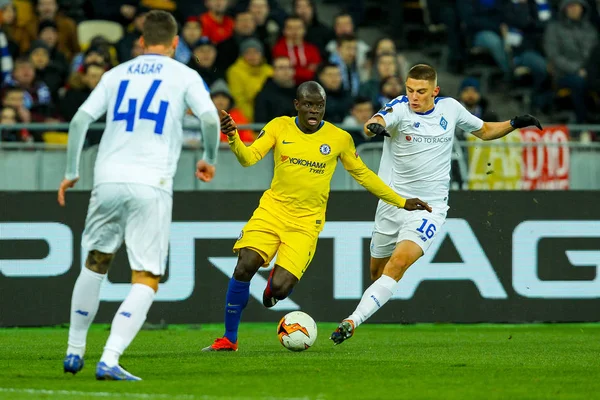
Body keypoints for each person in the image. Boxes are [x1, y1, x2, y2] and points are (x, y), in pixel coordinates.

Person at [202, 81, 431, 352]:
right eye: (308, 105)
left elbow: (364, 175)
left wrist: (402, 201)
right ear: (297, 105)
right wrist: (233, 137)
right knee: (245, 265)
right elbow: (248, 158)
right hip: (272, 211)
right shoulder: (279, 126)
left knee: (279, 290)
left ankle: (275, 284)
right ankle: (229, 339)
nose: (314, 111)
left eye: (319, 106)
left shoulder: (339, 139)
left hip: (305, 224)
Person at [58, 10, 220, 380]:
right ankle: (110, 358)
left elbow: (80, 120)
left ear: (142, 41)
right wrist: (209, 158)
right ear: (176, 43)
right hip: (151, 182)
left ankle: (74, 350)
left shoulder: (115, 74)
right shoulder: (184, 74)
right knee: (146, 277)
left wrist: (71, 173)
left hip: (107, 178)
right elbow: (210, 118)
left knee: (95, 262)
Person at [329, 64, 542, 345]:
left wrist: (514, 123)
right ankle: (367, 307)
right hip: (393, 203)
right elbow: (376, 121)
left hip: (429, 208)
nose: (413, 97)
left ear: (435, 91)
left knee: (399, 263)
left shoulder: (451, 109)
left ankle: (350, 321)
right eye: (409, 90)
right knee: (376, 273)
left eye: (420, 91)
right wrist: (376, 126)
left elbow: (485, 131)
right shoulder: (399, 108)